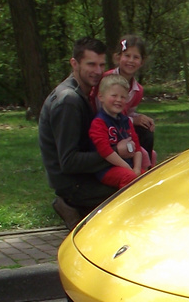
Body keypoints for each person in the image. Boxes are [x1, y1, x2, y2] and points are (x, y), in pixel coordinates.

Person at [38, 37, 112, 226]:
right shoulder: (68, 101)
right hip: (73, 184)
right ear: (74, 63)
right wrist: (113, 154)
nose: (98, 71)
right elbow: (69, 162)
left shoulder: (85, 94)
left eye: (102, 65)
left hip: (84, 176)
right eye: (91, 64)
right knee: (135, 192)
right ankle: (72, 207)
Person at [90, 75, 148, 188]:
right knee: (130, 178)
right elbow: (105, 151)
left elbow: (137, 147)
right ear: (101, 97)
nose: (118, 100)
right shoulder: (99, 123)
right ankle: (129, 204)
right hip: (107, 168)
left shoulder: (126, 121)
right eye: (114, 96)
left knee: (149, 178)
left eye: (123, 97)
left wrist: (136, 168)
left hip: (129, 165)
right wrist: (128, 168)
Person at [112, 34, 156, 165]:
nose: (130, 60)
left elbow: (128, 112)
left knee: (146, 130)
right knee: (139, 150)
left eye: (135, 57)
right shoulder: (108, 81)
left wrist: (140, 118)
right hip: (108, 127)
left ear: (141, 62)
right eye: (127, 56)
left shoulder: (137, 90)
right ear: (118, 57)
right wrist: (133, 120)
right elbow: (106, 113)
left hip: (123, 125)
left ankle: (146, 167)